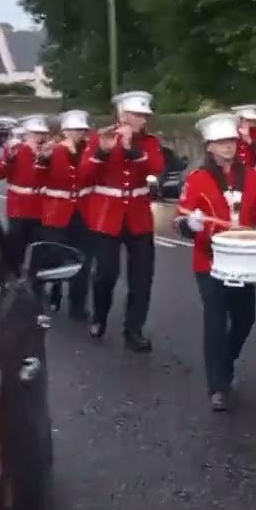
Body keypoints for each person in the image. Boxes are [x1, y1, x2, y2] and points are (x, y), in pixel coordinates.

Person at [176, 113, 256, 411]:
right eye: (220, 142)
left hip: (244, 261)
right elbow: (180, 220)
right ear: (209, 147)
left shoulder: (252, 175)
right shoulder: (197, 179)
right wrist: (192, 223)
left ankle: (225, 362)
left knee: (245, 319)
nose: (227, 146)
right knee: (215, 321)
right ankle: (217, 386)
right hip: (210, 261)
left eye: (230, 140)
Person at [78, 91, 166, 351]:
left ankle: (133, 329)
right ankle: (100, 315)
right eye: (137, 115)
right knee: (106, 273)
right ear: (122, 116)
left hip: (138, 215)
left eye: (144, 115)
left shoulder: (149, 142)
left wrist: (132, 150)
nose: (142, 120)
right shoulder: (99, 138)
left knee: (142, 277)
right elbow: (84, 175)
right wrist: (102, 153)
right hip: (107, 214)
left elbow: (157, 167)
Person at [40, 110, 94, 320]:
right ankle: (53, 290)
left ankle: (77, 306)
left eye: (81, 130)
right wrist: (43, 160)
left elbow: (89, 175)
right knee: (55, 257)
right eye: (74, 130)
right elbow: (38, 176)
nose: (78, 134)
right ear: (64, 131)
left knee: (83, 260)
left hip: (82, 212)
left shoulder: (90, 152)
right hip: (56, 213)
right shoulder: (52, 150)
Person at [0, 115, 49, 266]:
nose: (39, 138)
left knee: (40, 252)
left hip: (41, 209)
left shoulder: (48, 152)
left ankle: (36, 283)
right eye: (35, 134)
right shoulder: (15, 150)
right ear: (26, 135)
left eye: (42, 134)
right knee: (16, 250)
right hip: (18, 209)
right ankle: (15, 278)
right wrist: (8, 159)